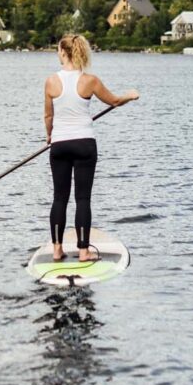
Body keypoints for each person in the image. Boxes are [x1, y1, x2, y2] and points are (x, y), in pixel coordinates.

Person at [44, 34, 139, 262]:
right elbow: (114, 101)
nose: (57, 54)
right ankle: (84, 251)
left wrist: (49, 135)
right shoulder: (90, 80)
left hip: (59, 144)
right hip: (84, 144)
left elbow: (48, 115)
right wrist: (130, 95)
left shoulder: (51, 82)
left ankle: (57, 250)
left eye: (58, 50)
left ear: (64, 53)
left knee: (59, 198)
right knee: (83, 199)